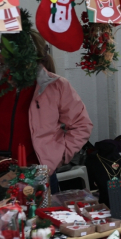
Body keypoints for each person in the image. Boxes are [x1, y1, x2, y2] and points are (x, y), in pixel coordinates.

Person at [0, 30, 93, 193]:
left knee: (40, 218)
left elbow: (81, 125)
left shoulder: (57, 86)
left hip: (38, 174)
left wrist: (57, 156)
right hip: (1, 173)